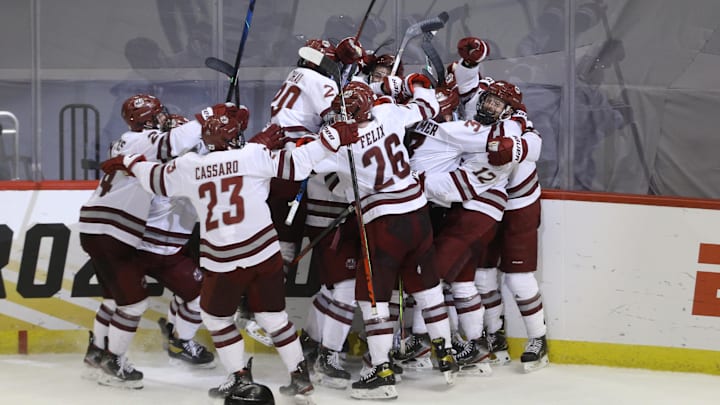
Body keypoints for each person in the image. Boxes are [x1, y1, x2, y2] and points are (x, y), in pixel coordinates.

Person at [102, 101, 361, 402]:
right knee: (275, 318)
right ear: (232, 138)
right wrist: (332, 138)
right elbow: (299, 162)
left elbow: (156, 178)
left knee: (216, 319)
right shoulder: (253, 155)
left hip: (224, 261)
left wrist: (129, 162)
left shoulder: (191, 166)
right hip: (265, 254)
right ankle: (300, 377)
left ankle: (238, 377)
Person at [312, 79, 458, 400]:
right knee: (427, 285)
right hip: (418, 214)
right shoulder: (388, 112)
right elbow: (428, 106)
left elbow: (304, 165)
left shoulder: (341, 144)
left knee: (372, 296)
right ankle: (445, 352)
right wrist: (419, 85)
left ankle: (381, 370)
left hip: (384, 223)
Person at [79, 94, 211, 388]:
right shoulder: (154, 146)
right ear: (148, 121)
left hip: (100, 227)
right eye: (158, 115)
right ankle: (114, 364)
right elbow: (177, 151)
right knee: (135, 305)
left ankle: (97, 354)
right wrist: (209, 118)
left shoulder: (131, 142)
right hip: (125, 235)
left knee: (114, 300)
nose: (163, 118)